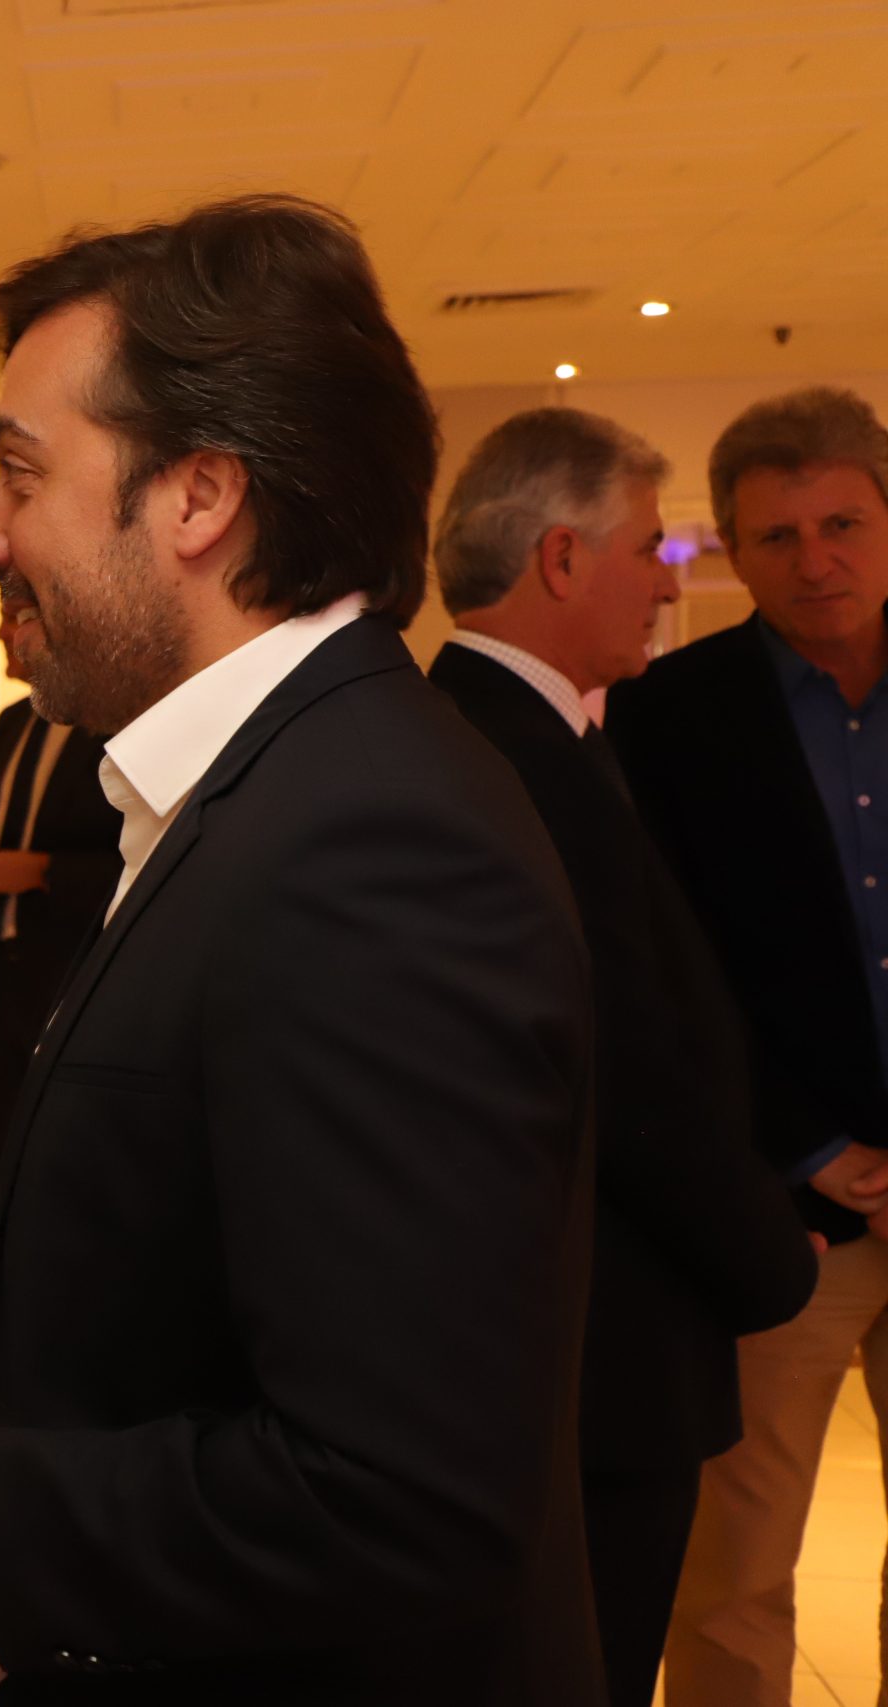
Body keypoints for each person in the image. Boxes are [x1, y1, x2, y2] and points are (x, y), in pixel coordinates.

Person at [0, 195, 605, 1706]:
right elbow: (254, 1244)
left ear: (199, 496)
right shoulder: (260, 786)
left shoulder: (371, 839)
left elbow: (405, 1492)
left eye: (21, 474)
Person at [427, 406, 820, 1707]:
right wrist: (770, 1250)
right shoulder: (512, 752)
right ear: (560, 557)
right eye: (651, 548)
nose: (667, 578)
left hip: (590, 1340)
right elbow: (624, 1065)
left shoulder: (527, 732)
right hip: (600, 1345)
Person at [608, 386, 888, 1707]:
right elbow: (669, 979)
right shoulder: (668, 718)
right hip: (785, 1214)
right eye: (776, 535)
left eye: (841, 524)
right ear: (727, 544)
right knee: (734, 1574)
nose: (813, 559)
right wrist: (810, 1145)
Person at [0, 605, 121, 1180]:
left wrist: (42, 871)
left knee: (65, 1167)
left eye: (13, 617)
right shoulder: (12, 722)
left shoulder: (116, 721)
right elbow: (9, 831)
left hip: (71, 975)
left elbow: (139, 862)